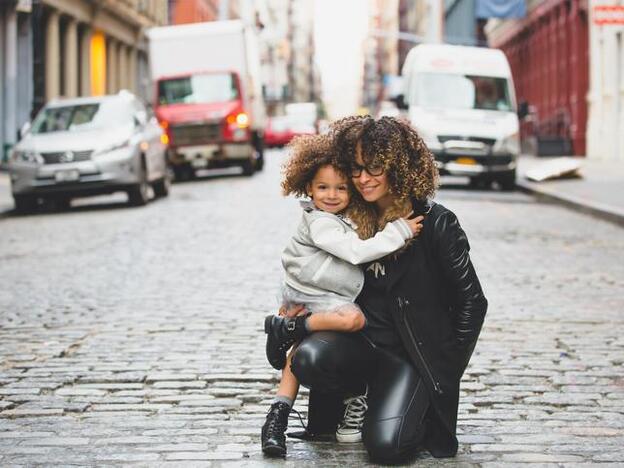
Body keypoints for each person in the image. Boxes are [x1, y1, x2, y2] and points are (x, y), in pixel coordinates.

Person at [285, 116, 488, 464]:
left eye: (375, 168)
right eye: (357, 169)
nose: (363, 179)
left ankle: (409, 405)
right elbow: (307, 265)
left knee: (386, 448)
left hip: (409, 355)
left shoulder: (436, 223)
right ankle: (358, 397)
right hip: (360, 345)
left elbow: (473, 302)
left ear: (399, 166)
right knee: (309, 358)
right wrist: (295, 306)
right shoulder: (347, 217)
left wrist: (443, 370)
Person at [261, 134, 423, 457]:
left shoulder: (340, 217)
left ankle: (276, 414)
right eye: (323, 188)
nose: (332, 195)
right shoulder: (320, 223)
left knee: (298, 349)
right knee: (353, 318)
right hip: (315, 294)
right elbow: (355, 252)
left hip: (314, 292)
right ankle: (293, 329)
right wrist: (400, 231)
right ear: (309, 188)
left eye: (341, 188)